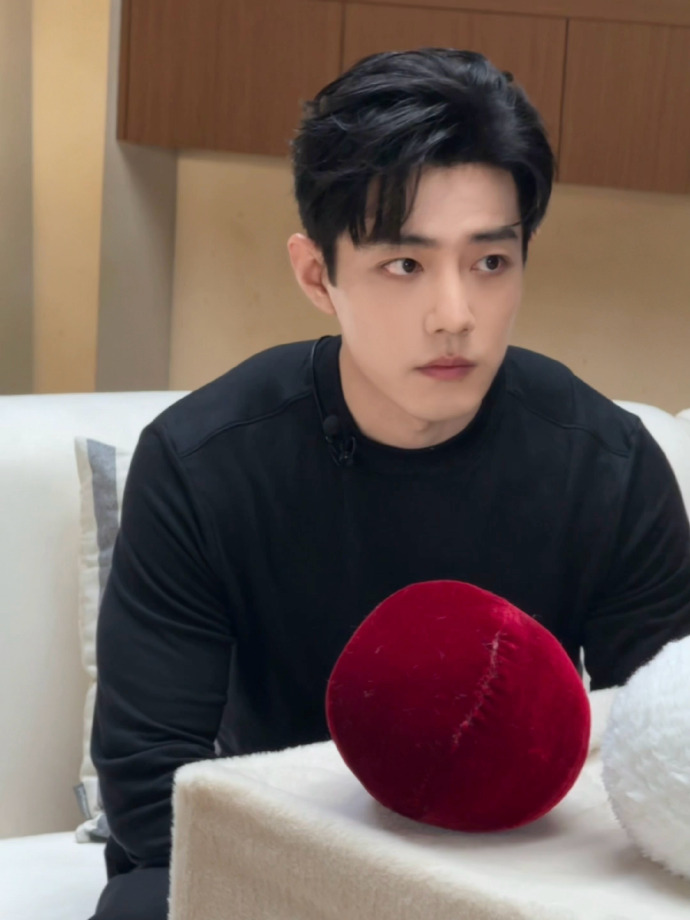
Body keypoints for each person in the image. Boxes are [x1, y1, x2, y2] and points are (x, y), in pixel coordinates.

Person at [89, 48, 690, 919]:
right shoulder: (201, 462)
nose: (456, 315)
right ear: (316, 275)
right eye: (405, 265)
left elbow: (666, 755)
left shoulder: (609, 463)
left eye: (491, 262)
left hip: (511, 861)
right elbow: (152, 796)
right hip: (273, 856)